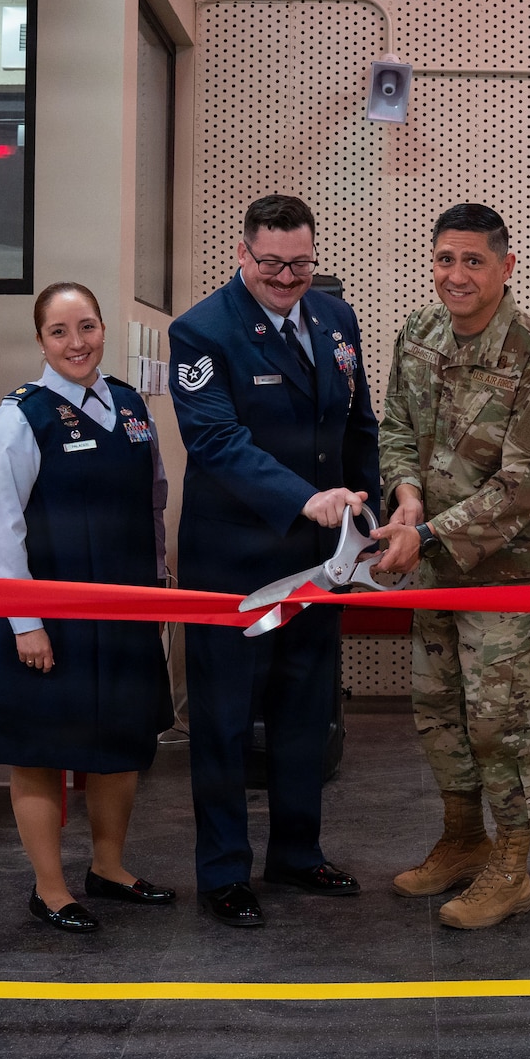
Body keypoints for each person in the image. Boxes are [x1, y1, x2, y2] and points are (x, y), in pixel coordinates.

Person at [168, 194, 381, 928]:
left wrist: (368, 516)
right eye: (272, 264)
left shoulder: (335, 320)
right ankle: (224, 872)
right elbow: (216, 441)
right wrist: (304, 498)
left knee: (303, 714)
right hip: (235, 562)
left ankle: (297, 850)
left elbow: (360, 427)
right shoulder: (201, 331)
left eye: (301, 263)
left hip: (323, 562)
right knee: (225, 725)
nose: (288, 277)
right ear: (242, 254)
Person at [375, 203, 530, 929]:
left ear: (505, 267)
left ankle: (511, 865)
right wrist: (404, 500)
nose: (454, 275)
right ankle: (463, 839)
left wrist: (424, 532)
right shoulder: (420, 332)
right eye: (444, 259)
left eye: (472, 261)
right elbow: (396, 424)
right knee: (439, 712)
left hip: (508, 575)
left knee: (502, 722)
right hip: (428, 563)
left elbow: (525, 487)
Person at [0, 282, 176, 935]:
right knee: (39, 751)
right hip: (47, 618)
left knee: (121, 745)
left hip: (123, 607)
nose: (77, 342)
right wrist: (24, 620)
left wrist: (160, 582)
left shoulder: (126, 403)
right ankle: (51, 887)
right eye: (60, 331)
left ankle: (109, 867)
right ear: (41, 340)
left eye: (86, 326)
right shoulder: (19, 417)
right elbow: (1, 530)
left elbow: (154, 498)